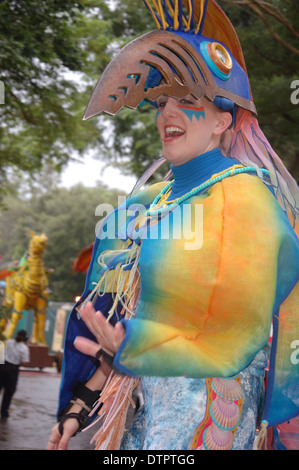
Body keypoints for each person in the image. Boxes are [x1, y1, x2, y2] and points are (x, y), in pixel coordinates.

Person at [48, 0, 299, 450]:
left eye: (187, 101)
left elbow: (237, 326)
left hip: (207, 418)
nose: (167, 113)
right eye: (162, 102)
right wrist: (82, 402)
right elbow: (116, 320)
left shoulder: (245, 199)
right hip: (137, 419)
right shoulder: (142, 204)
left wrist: (134, 343)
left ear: (224, 119)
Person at [0, 329, 30, 418]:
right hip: (13, 369)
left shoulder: (8, 342)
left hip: (2, 366)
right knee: (9, 391)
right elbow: (24, 362)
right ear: (25, 338)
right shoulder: (24, 348)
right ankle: (4, 411)